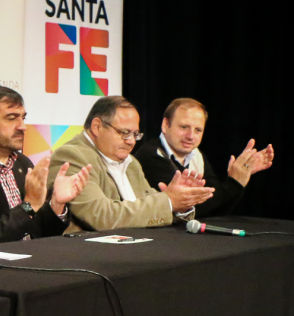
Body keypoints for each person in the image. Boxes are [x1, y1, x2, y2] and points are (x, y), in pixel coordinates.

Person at [46, 95, 213, 232]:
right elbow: (101, 216)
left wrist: (180, 205)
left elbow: (147, 205)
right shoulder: (72, 157)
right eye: (124, 133)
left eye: (135, 134)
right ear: (97, 127)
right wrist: (168, 201)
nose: (131, 141)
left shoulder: (130, 162)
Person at [0, 85, 91, 247]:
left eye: (23, 118)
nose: (22, 127)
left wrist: (56, 204)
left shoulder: (23, 163)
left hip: (32, 255)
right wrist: (29, 206)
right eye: (11, 118)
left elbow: (42, 234)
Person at [134, 98, 274, 219]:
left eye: (198, 130)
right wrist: (235, 182)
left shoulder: (196, 155)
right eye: (184, 127)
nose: (190, 136)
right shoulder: (151, 155)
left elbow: (216, 207)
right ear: (165, 125)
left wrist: (241, 177)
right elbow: (194, 209)